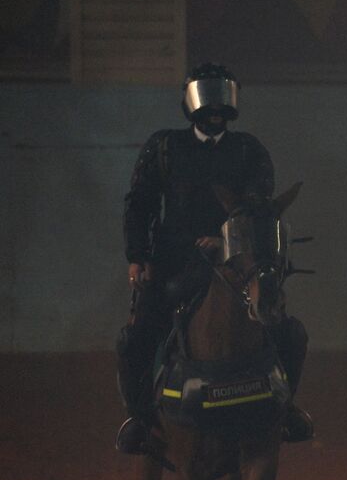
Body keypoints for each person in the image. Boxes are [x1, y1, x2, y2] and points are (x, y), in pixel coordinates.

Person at [117, 63, 313, 455]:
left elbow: (256, 206)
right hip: (172, 261)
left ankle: (284, 408)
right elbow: (140, 203)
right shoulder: (165, 147)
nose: (216, 110)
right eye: (208, 100)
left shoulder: (249, 150)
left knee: (288, 331)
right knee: (134, 337)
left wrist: (224, 239)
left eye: (223, 100)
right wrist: (137, 257)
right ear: (192, 103)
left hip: (237, 263)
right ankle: (139, 419)